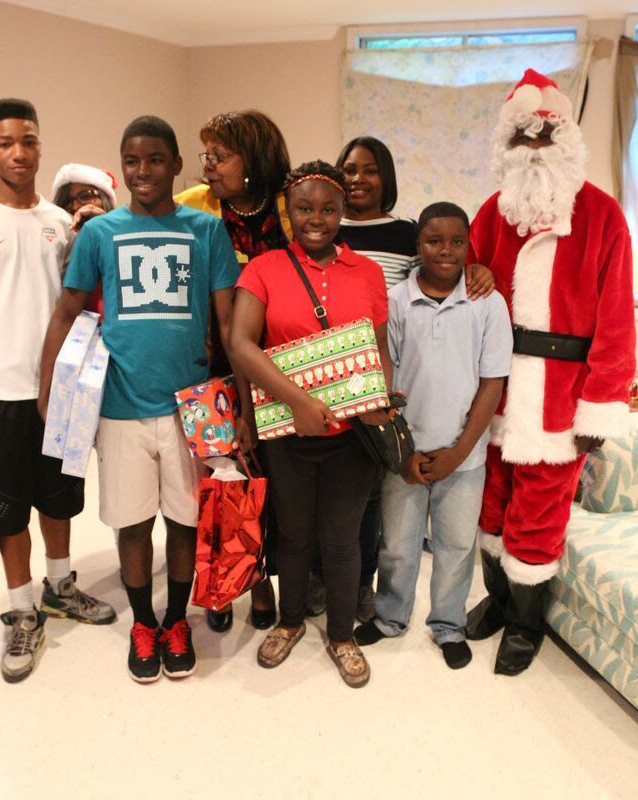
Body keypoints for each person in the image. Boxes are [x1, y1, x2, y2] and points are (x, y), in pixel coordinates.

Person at [39, 115, 240, 684]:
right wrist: (47, 388)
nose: (143, 170)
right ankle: (143, 623)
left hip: (190, 406)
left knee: (184, 520)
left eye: (155, 159)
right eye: (132, 161)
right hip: (119, 405)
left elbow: (229, 327)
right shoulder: (99, 234)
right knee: (131, 523)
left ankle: (177, 620)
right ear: (122, 166)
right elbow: (66, 311)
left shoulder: (207, 231)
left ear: (176, 165)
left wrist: (242, 404)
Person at [464, 69, 636, 675]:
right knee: (490, 503)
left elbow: (616, 321)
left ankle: (525, 623)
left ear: (565, 140)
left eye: (545, 134)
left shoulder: (603, 215)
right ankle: (499, 598)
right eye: (523, 136)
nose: (534, 146)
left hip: (561, 397)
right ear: (507, 145)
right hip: (495, 389)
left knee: (539, 511)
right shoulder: (492, 213)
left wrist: (600, 406)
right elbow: (462, 297)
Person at [0, 98, 116, 685]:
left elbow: (83, 300)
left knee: (59, 498)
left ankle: (60, 585)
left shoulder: (61, 222)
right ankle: (21, 610)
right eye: (6, 143)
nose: (18, 153)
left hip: (59, 390)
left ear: (40, 146)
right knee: (9, 508)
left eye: (28, 141)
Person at [230, 160, 391, 688]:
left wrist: (379, 399)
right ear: (289, 211)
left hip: (352, 435)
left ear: (343, 210)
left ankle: (342, 636)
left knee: (342, 540)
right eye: (304, 208)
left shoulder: (367, 272)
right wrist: (298, 402)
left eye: (328, 208)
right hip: (287, 430)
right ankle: (291, 621)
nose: (316, 219)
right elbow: (240, 343)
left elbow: (379, 347)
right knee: (295, 536)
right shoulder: (265, 268)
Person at [353, 202, 512, 669]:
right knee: (397, 544)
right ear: (417, 244)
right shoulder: (396, 302)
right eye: (434, 241)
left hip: (465, 454)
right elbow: (385, 379)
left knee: (457, 546)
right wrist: (401, 453)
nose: (446, 250)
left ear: (468, 245)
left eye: (457, 241)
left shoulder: (488, 304)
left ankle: (448, 624)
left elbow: (492, 383)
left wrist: (459, 451)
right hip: (405, 453)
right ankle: (390, 616)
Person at [176, 110, 292, 632]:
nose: (208, 166)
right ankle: (229, 584)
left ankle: (263, 577)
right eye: (207, 155)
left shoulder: (290, 208)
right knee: (224, 480)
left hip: (278, 367)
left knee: (271, 480)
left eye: (220, 156)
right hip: (211, 366)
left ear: (255, 160)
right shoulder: (192, 206)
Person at [51, 163, 117, 319]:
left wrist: (105, 227)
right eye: (66, 201)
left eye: (85, 196)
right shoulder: (55, 244)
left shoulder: (123, 236)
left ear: (105, 199)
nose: (75, 206)